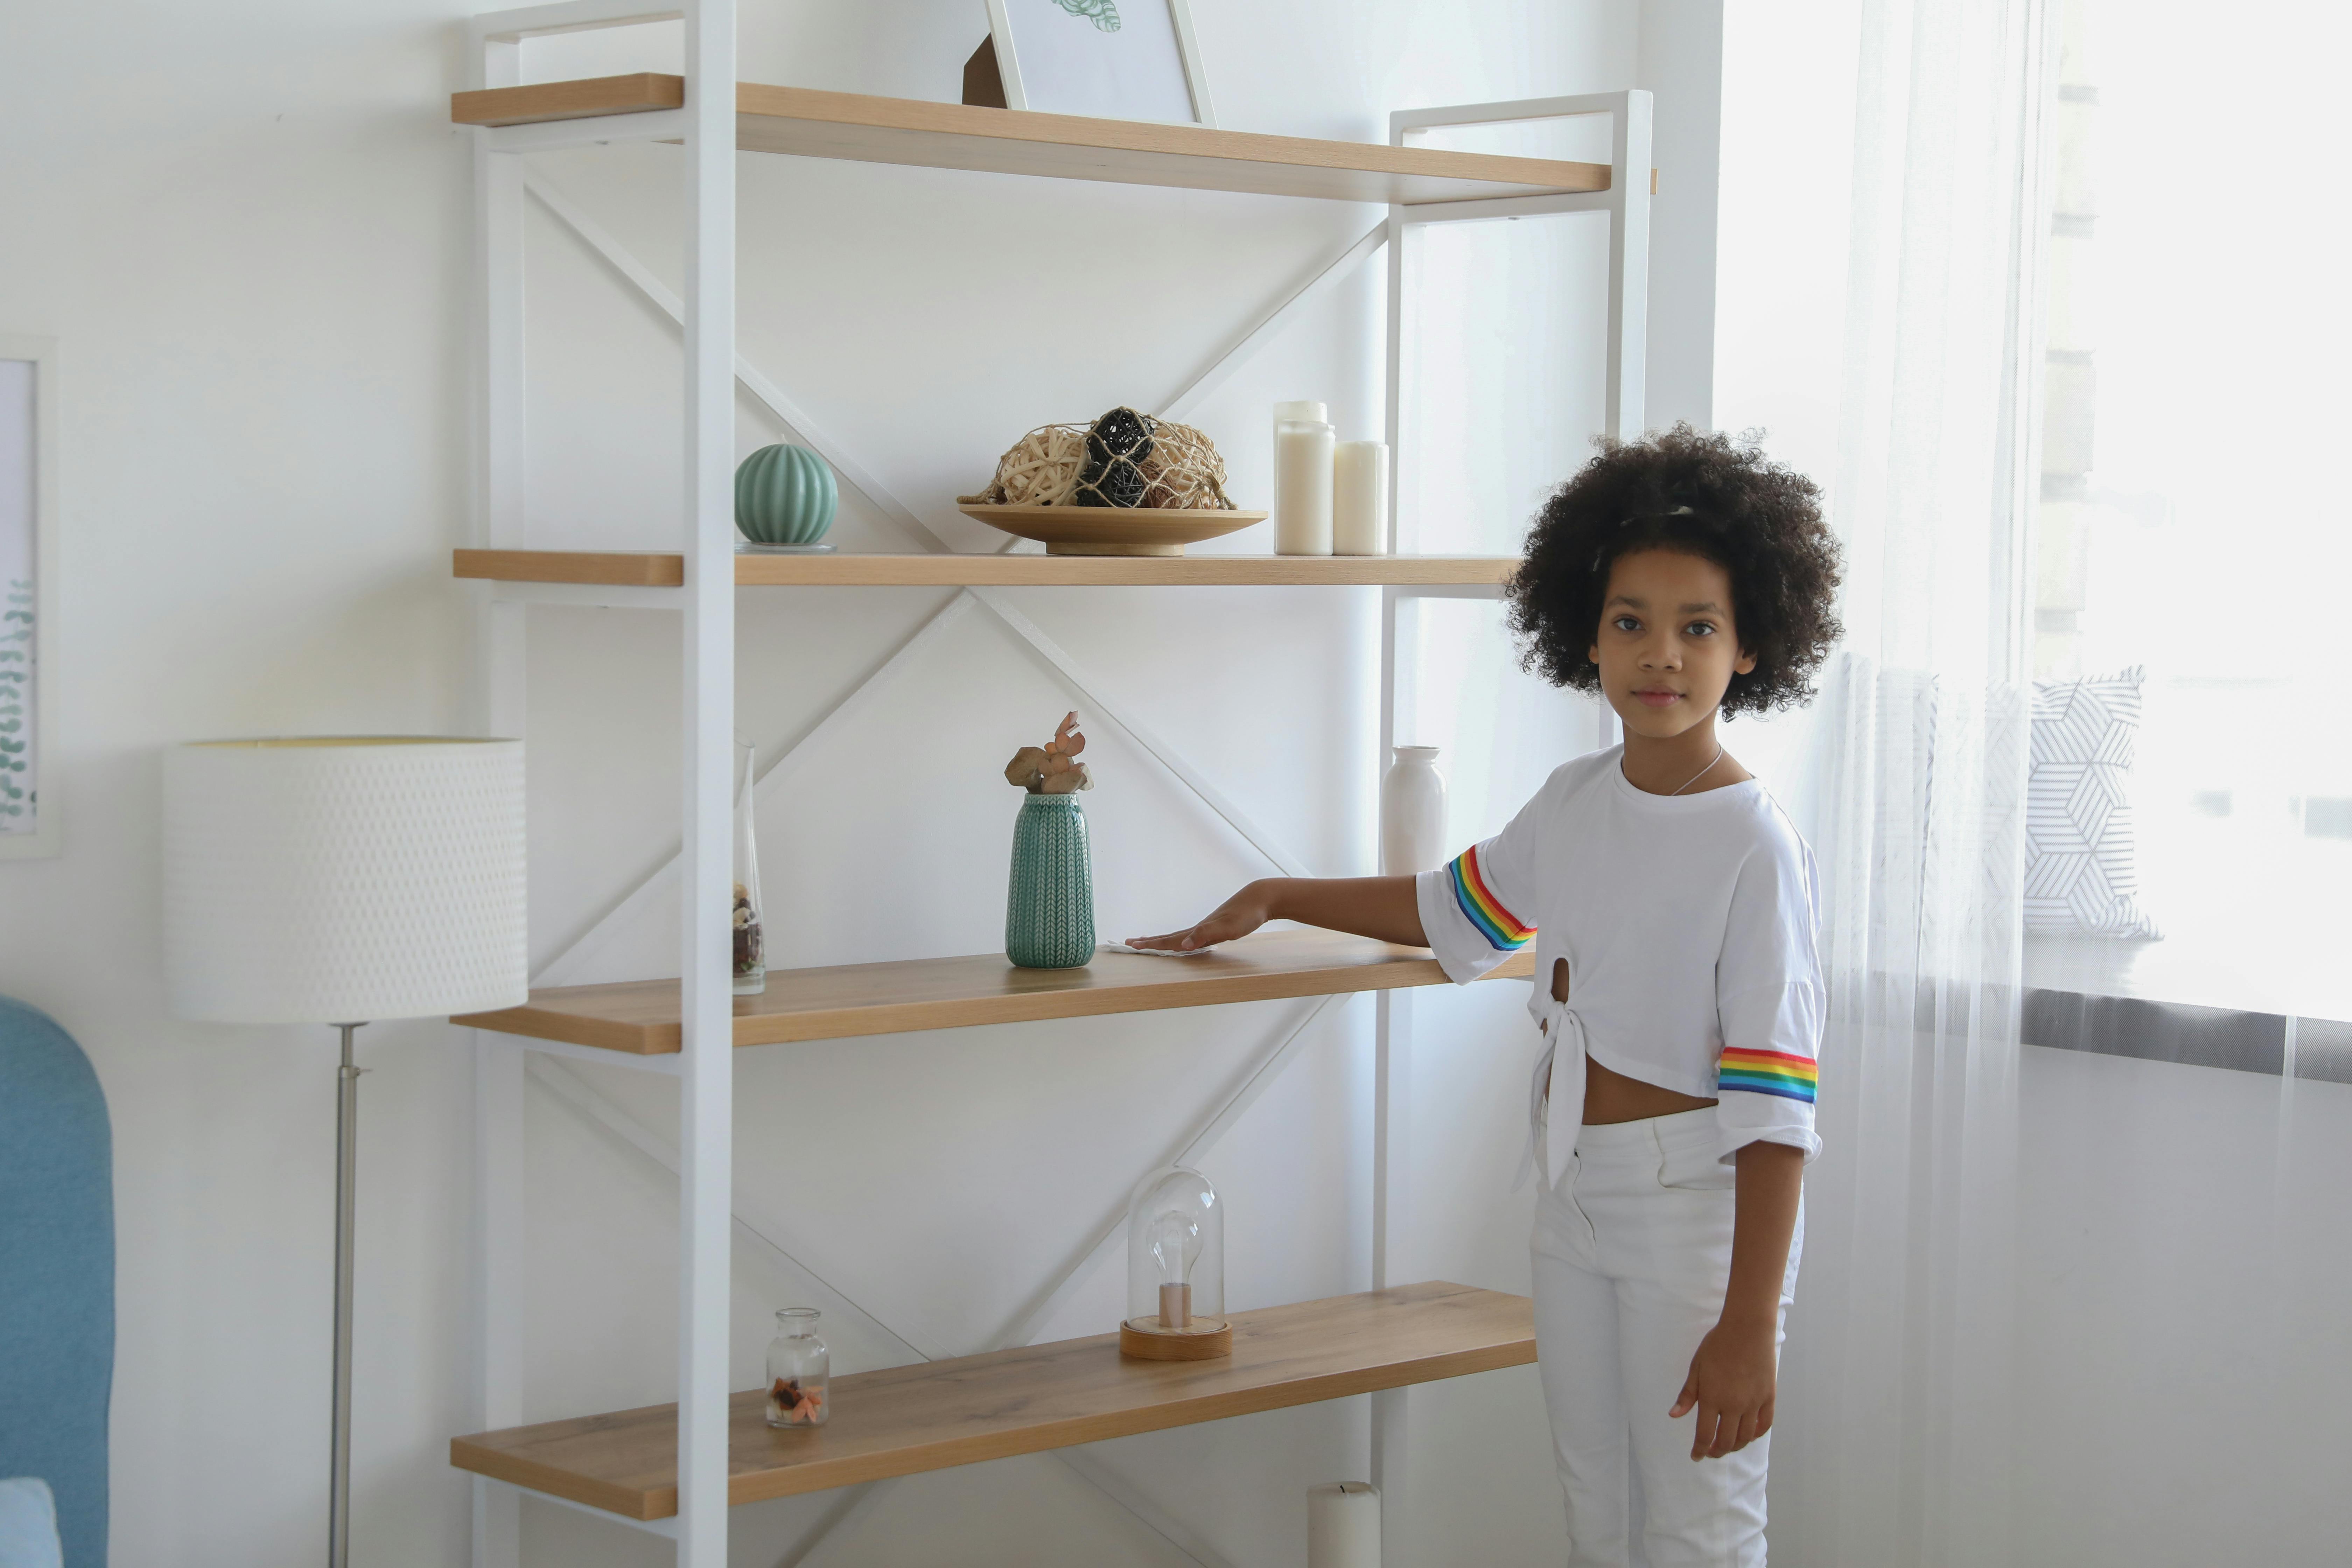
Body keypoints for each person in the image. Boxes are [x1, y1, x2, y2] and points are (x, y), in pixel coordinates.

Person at [1130, 425, 1844, 1567]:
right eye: (1631, 623)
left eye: (1696, 627)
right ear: (1590, 638)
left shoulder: (1754, 845)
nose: (1660, 654)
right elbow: (1452, 910)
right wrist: (1277, 894)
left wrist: (1750, 1325)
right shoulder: (1573, 801)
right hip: (1572, 1198)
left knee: (1701, 1533)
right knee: (1595, 1515)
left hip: (1697, 1219)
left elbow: (1777, 1111)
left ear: (1752, 645)